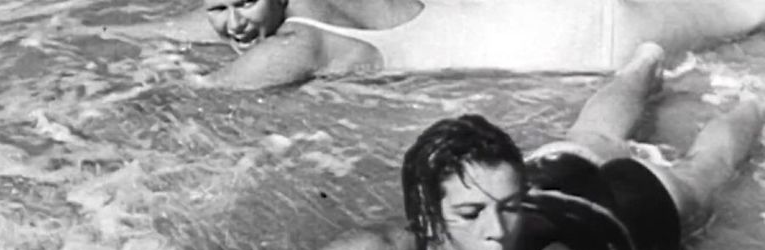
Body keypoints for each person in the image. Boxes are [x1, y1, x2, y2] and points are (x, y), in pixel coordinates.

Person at [216, 42, 764, 250]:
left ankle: (748, 99)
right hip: (547, 178)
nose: (498, 232)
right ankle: (645, 64)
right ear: (425, 219)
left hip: (626, 211)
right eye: (470, 215)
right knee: (592, 136)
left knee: (702, 173)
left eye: (508, 208)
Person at [94, 0, 765, 91]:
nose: (232, 22)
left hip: (594, 37)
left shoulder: (298, 44)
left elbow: (203, 97)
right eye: (217, 9)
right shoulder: (303, 20)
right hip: (576, 17)